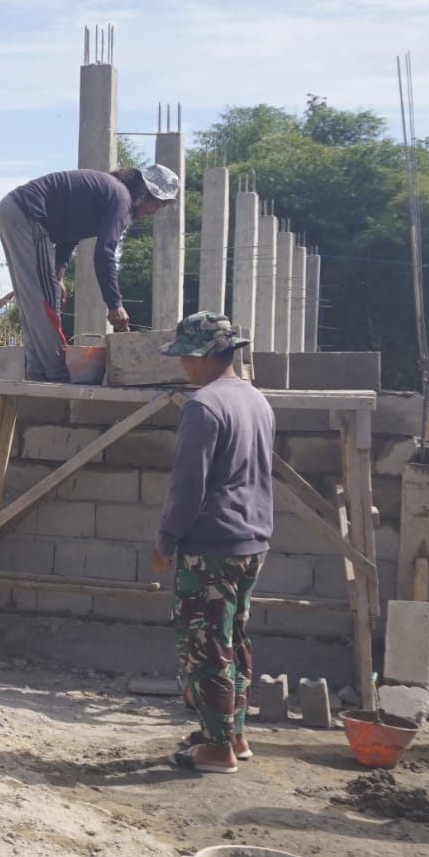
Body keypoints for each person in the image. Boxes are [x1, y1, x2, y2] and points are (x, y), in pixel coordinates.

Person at [150, 311, 274, 774]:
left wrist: (165, 541)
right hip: (252, 542)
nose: (183, 366)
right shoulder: (256, 400)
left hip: (212, 546)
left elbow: (188, 487)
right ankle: (234, 735)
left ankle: (217, 749)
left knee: (205, 645)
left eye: (186, 356)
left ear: (204, 355)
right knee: (233, 637)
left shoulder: (204, 407)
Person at [0, 164, 180, 382]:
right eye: (157, 205)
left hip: (14, 210)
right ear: (146, 193)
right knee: (45, 301)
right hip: (28, 215)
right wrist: (115, 304)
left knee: (33, 301)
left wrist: (59, 275)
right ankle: (55, 374)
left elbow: (70, 233)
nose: (153, 212)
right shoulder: (122, 199)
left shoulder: (110, 192)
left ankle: (37, 370)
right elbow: (105, 251)